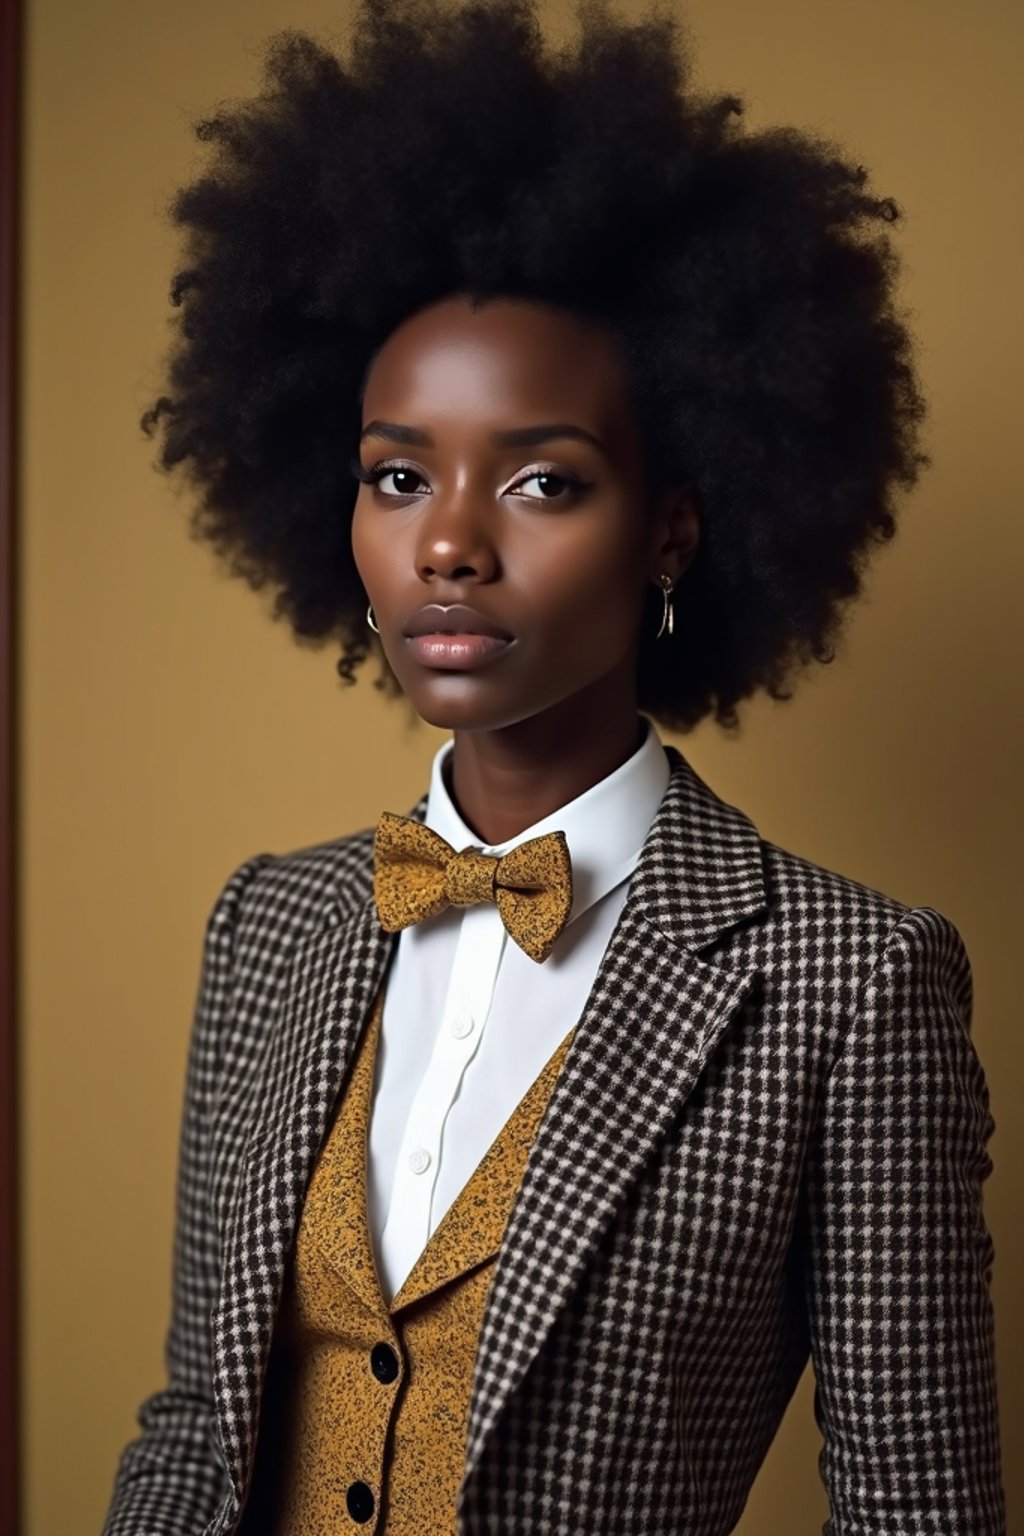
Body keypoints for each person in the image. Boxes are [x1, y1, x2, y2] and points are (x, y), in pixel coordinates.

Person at [101, 0, 1005, 1531]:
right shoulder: (268, 929)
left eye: (541, 480)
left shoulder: (855, 987)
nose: (448, 541)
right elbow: (197, 1434)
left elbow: (919, 1507)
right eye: (398, 476)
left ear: (671, 530)